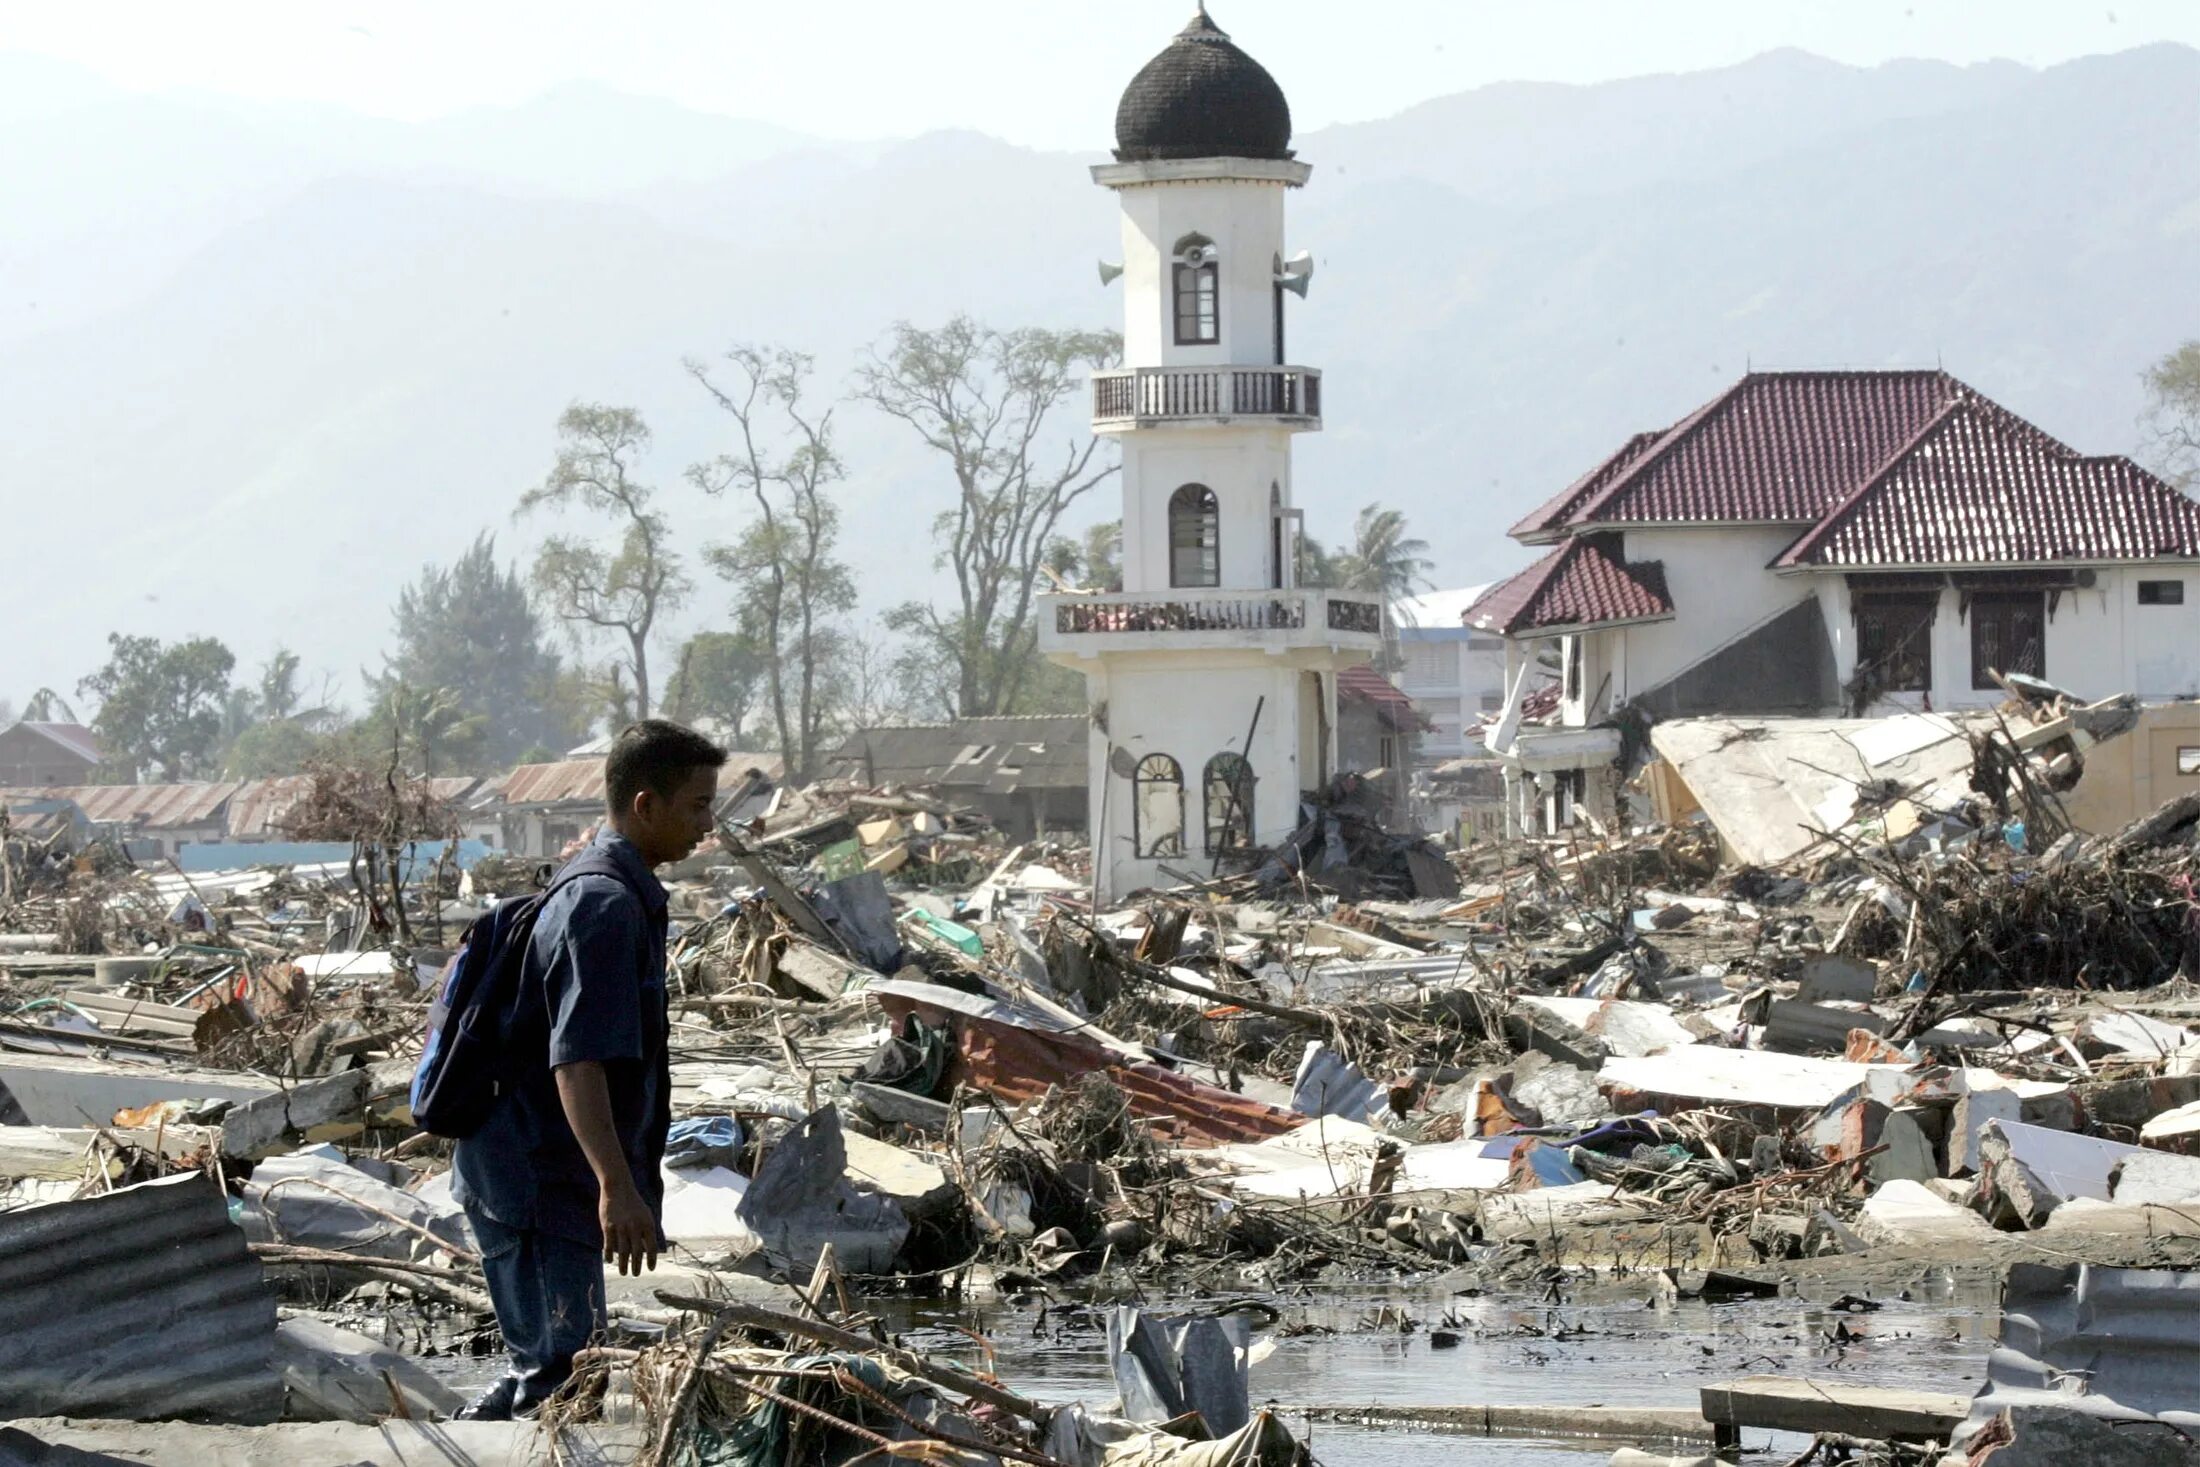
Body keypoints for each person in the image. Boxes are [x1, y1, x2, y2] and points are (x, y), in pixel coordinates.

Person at [452, 719, 725, 1419]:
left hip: (539, 1167)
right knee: (567, 1380)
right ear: (646, 805)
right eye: (697, 804)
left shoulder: (613, 890)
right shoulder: (602, 904)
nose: (708, 823)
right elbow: (576, 1061)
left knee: (557, 1371)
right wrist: (616, 1186)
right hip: (535, 1175)